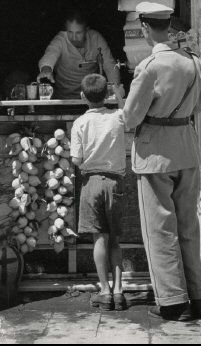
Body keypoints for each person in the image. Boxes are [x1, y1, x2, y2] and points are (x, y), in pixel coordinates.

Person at [119, 1, 201, 322]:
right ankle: (198, 296)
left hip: (156, 153)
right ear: (168, 26)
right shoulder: (193, 63)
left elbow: (131, 116)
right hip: (186, 149)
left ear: (145, 28)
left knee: (160, 228)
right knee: (188, 226)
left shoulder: (150, 67)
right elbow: (200, 104)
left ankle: (173, 301)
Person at [70, 73, 127, 312]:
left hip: (91, 183)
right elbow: (130, 114)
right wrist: (122, 98)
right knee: (114, 238)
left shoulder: (80, 123)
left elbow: (76, 158)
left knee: (99, 238)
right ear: (108, 95)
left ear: (83, 96)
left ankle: (104, 291)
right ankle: (119, 291)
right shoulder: (118, 117)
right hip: (115, 183)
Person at [38, 9, 123, 99]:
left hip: (92, 98)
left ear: (86, 30)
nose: (74, 38)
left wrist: (115, 94)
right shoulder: (60, 39)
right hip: (64, 99)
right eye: (70, 32)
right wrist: (46, 68)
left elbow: (110, 66)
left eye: (78, 33)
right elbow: (50, 54)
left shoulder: (96, 38)